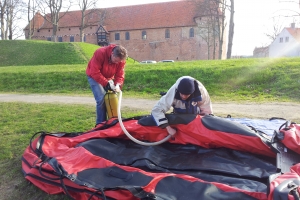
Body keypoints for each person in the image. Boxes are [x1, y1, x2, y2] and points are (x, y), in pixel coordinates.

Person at [86, 44, 128, 125]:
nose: (117, 63)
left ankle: (114, 121)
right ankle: (100, 124)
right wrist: (106, 83)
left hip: (108, 77)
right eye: (116, 61)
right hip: (94, 76)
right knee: (101, 99)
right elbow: (94, 72)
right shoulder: (100, 53)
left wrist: (118, 84)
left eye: (119, 62)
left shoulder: (121, 60)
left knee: (113, 97)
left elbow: (120, 74)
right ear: (112, 54)